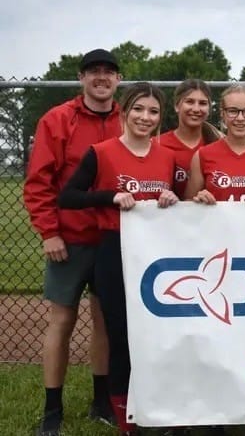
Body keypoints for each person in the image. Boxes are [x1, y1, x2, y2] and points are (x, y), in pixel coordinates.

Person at [58, 82, 179, 436]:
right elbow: (68, 197)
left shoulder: (167, 157)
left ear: (160, 118)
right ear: (124, 113)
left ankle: (158, 409)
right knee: (121, 335)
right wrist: (109, 196)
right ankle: (125, 419)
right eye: (138, 109)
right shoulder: (101, 152)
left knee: (157, 334)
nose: (145, 117)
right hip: (114, 250)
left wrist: (171, 199)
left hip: (155, 256)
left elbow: (179, 205)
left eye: (153, 111)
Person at [23, 48, 121, 436]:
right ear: (81, 78)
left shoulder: (128, 119)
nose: (102, 77)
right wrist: (49, 231)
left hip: (112, 238)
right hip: (70, 239)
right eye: (94, 71)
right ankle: (52, 410)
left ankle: (101, 403)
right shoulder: (58, 119)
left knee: (104, 322)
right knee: (62, 321)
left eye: (109, 71)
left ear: (118, 79)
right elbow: (39, 181)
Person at [159, 79, 221, 198]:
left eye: (202, 103)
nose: (196, 109)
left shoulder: (218, 145)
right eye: (190, 102)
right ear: (177, 106)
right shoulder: (158, 144)